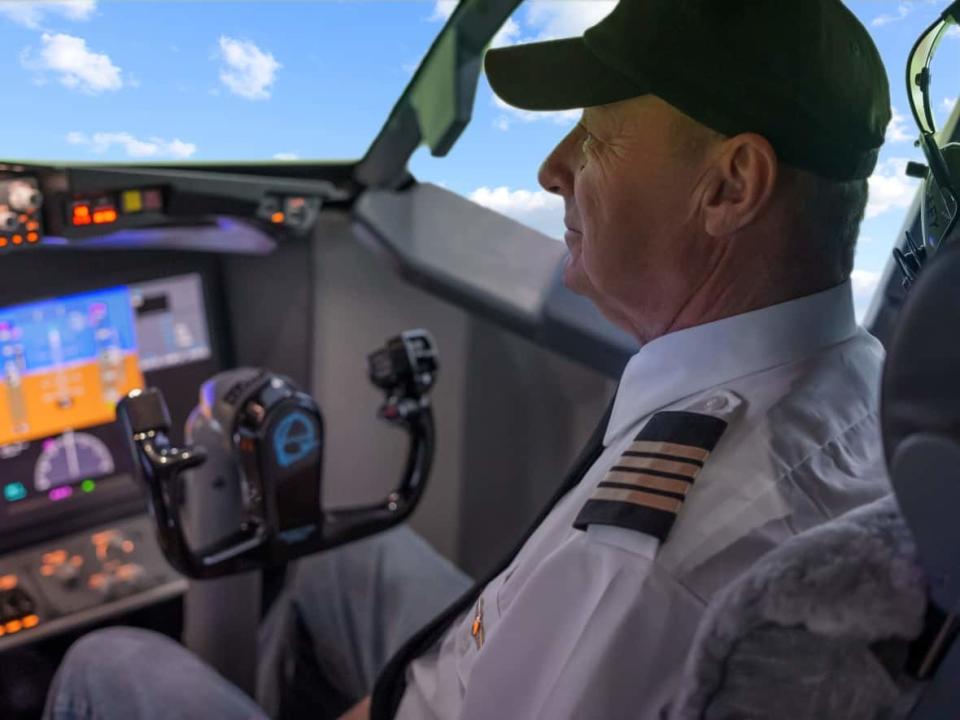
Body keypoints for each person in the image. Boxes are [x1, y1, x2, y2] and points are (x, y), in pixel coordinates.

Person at [43, 1, 895, 719]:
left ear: (730, 186)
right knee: (340, 553)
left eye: (596, 139)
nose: (552, 167)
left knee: (103, 661)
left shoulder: (646, 561)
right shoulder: (860, 384)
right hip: (479, 669)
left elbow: (613, 598)